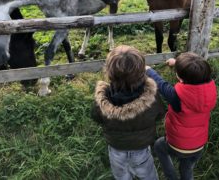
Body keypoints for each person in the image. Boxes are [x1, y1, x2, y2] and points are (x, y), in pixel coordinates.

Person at [91, 45, 165, 180]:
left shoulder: (102, 101)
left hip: (116, 148)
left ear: (109, 72)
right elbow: (160, 114)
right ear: (142, 71)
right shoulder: (152, 98)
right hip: (141, 148)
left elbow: (96, 117)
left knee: (121, 175)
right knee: (148, 174)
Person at [145, 52, 217, 180]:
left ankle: (171, 177)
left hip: (178, 145)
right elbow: (195, 75)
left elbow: (161, 84)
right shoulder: (211, 90)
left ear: (181, 78)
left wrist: (149, 70)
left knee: (159, 146)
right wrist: (176, 64)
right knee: (187, 167)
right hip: (198, 145)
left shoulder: (176, 97)